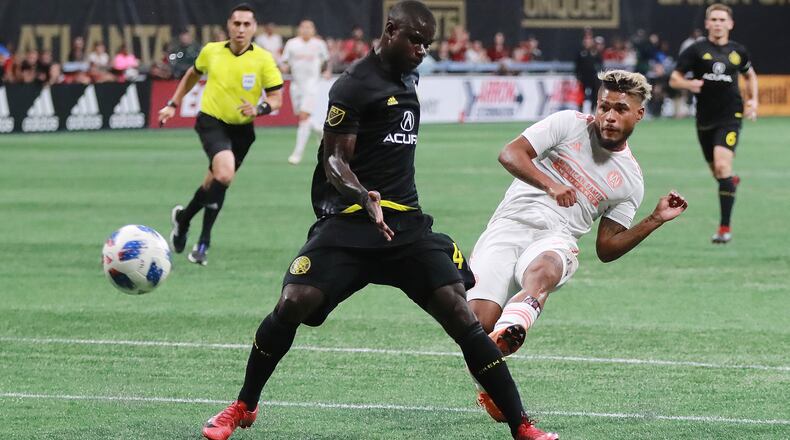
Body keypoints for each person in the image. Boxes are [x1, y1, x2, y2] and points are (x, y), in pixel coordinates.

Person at [199, 2, 557, 440]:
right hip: (350, 223)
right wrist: (361, 197)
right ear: (390, 32)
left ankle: (521, 424)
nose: (422, 51)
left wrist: (386, 205)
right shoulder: (353, 86)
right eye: (415, 41)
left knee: (462, 317)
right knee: (292, 302)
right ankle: (243, 405)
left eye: (427, 44)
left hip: (405, 226)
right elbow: (333, 159)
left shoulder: (409, 73)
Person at [464, 70, 688, 421]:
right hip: (508, 226)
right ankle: (489, 379)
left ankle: (514, 328)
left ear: (639, 114)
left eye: (620, 109)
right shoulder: (569, 124)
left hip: (557, 237)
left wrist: (655, 219)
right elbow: (510, 153)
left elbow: (607, 247)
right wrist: (550, 184)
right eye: (604, 107)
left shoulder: (630, 180)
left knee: (547, 267)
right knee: (475, 326)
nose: (609, 116)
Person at [159, 3, 283, 265]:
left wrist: (259, 108)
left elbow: (276, 98)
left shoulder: (263, 59)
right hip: (211, 121)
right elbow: (192, 75)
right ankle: (204, 241)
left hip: (243, 131)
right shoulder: (211, 51)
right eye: (236, 23)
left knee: (212, 183)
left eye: (246, 24)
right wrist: (173, 103)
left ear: (254, 28)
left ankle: (183, 219)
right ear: (229, 25)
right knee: (224, 174)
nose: (241, 29)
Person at [669, 3, 757, 244]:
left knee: (721, 166)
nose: (718, 23)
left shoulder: (738, 51)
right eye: (714, 19)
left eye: (722, 20)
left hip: (730, 117)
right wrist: (689, 84)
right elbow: (674, 79)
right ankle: (731, 182)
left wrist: (752, 101)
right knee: (719, 173)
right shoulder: (695, 50)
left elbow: (750, 75)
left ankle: (724, 229)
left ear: (730, 24)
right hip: (704, 120)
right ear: (707, 24)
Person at [280, 19, 330, 165]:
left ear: (313, 30)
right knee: (305, 119)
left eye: (309, 27)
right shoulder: (292, 44)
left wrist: (326, 71)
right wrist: (281, 67)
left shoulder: (319, 44)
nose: (306, 30)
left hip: (312, 86)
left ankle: (297, 154)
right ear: (299, 29)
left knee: (303, 117)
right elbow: (284, 62)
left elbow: (326, 61)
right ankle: (321, 131)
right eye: (303, 27)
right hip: (296, 86)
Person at [575, 34, 602, 113]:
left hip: (593, 77)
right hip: (583, 77)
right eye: (586, 41)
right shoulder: (580, 52)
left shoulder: (595, 52)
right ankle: (580, 110)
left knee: (594, 95)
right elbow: (577, 65)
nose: (588, 43)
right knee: (581, 95)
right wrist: (577, 76)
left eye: (589, 41)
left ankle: (593, 110)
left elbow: (600, 64)